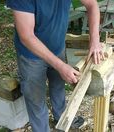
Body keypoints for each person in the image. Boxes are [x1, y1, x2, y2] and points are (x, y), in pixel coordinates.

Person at [6, 0, 104, 131]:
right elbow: (27, 36)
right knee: (36, 99)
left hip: (57, 47)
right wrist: (60, 66)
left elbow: (92, 4)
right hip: (31, 56)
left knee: (58, 86)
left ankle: (61, 117)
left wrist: (95, 40)